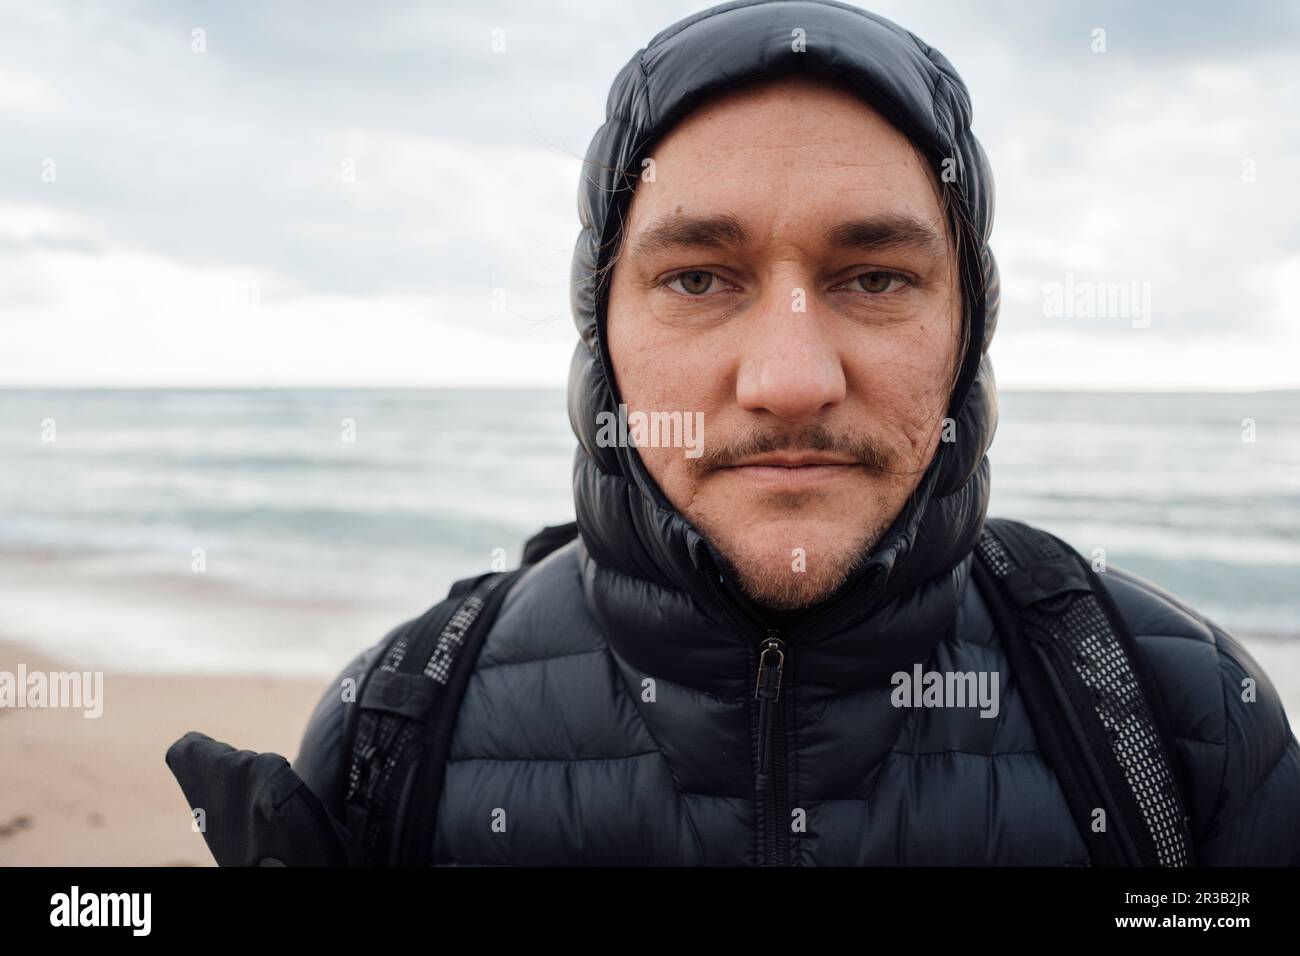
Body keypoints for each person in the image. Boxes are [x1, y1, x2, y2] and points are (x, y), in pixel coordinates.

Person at [293, 0, 1300, 865]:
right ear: (600, 330)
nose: (790, 380)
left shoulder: (1180, 718)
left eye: (874, 278)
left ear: (967, 330)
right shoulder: (393, 724)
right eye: (696, 277)